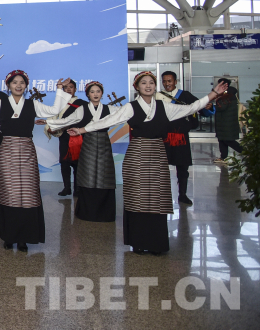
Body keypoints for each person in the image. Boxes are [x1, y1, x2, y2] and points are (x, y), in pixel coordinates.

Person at [68, 72, 226, 255]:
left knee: (158, 197)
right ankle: (138, 242)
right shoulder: (131, 107)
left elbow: (192, 108)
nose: (148, 86)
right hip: (137, 154)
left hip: (158, 153)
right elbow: (107, 121)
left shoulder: (165, 106)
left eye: (151, 82)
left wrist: (213, 94)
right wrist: (82, 129)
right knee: (137, 198)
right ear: (137, 87)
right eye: (143, 83)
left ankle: (156, 243)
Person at [0, 71, 73, 252]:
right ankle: (9, 236)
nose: (18, 85)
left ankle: (23, 239)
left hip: (27, 151)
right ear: (8, 85)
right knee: (9, 193)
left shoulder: (33, 104)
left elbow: (54, 110)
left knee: (28, 194)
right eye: (14, 82)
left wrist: (59, 89)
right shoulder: (0, 104)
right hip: (7, 151)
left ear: (26, 86)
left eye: (22, 82)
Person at [40, 81, 119, 222]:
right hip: (87, 142)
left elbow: (125, 115)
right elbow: (67, 120)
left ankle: (105, 211)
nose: (95, 94)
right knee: (87, 174)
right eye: (92, 92)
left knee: (104, 175)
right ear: (88, 94)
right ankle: (86, 210)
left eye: (98, 91)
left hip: (104, 143)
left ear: (102, 93)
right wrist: (48, 122)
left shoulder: (110, 109)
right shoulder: (82, 109)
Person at [156, 71, 200, 205]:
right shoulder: (157, 96)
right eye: (164, 81)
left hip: (180, 137)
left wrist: (208, 106)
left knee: (182, 167)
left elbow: (200, 106)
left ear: (175, 81)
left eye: (169, 81)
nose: (167, 84)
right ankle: (160, 195)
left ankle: (182, 194)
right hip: (163, 137)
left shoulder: (185, 95)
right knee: (160, 167)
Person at [43, 79, 88, 197]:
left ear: (75, 89)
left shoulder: (82, 103)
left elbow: (85, 120)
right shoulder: (59, 104)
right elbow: (53, 118)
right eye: (66, 87)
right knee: (64, 162)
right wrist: (50, 127)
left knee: (77, 164)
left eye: (71, 87)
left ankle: (77, 189)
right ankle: (67, 188)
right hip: (64, 136)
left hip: (77, 137)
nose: (68, 89)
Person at [213, 78, 242, 161]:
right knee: (222, 140)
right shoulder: (227, 95)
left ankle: (245, 152)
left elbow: (222, 107)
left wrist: (212, 107)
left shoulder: (228, 95)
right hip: (223, 122)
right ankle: (223, 157)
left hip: (227, 123)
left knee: (228, 140)